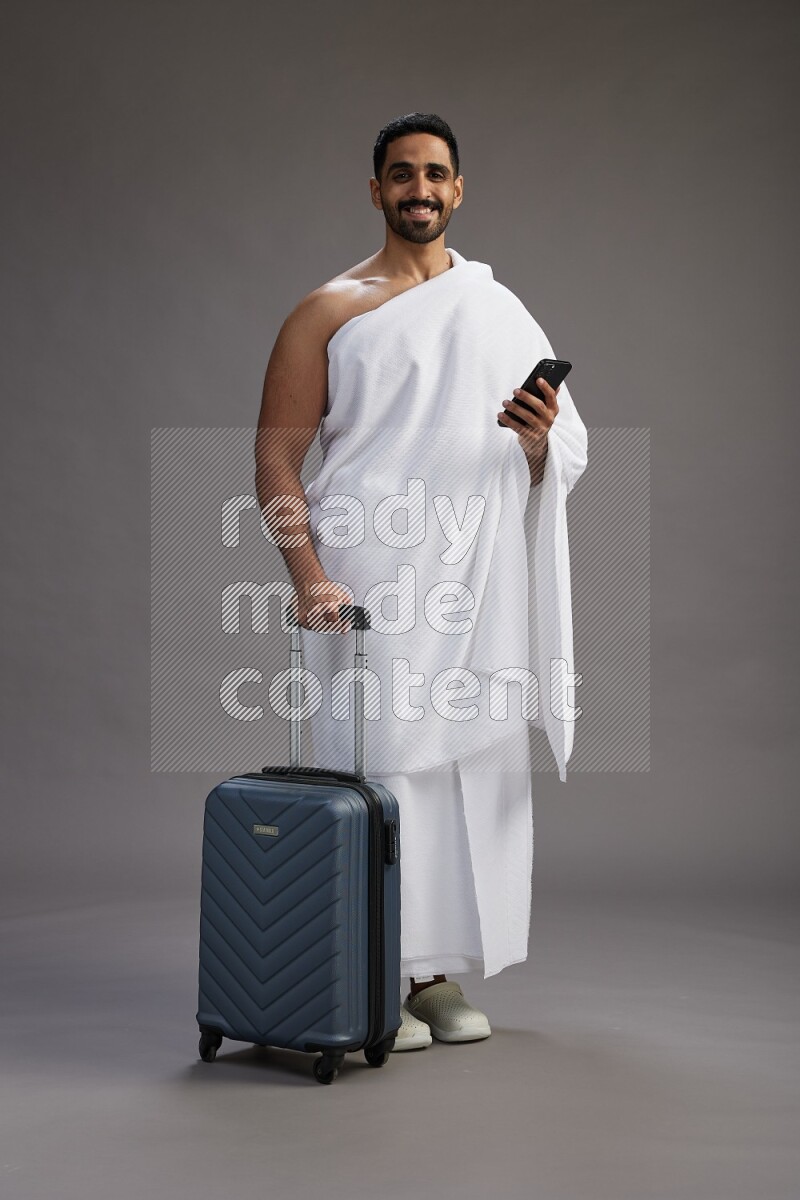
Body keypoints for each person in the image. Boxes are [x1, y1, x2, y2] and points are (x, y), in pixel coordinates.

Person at [255, 112, 587, 1051]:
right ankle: (366, 967)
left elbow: (554, 448)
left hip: (472, 575)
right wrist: (309, 576)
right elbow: (275, 464)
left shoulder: (497, 307)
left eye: (436, 174)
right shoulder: (328, 309)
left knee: (462, 774)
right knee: (378, 765)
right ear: (375, 191)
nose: (420, 189)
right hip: (366, 577)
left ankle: (431, 975)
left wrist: (534, 442)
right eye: (401, 174)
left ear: (459, 188)